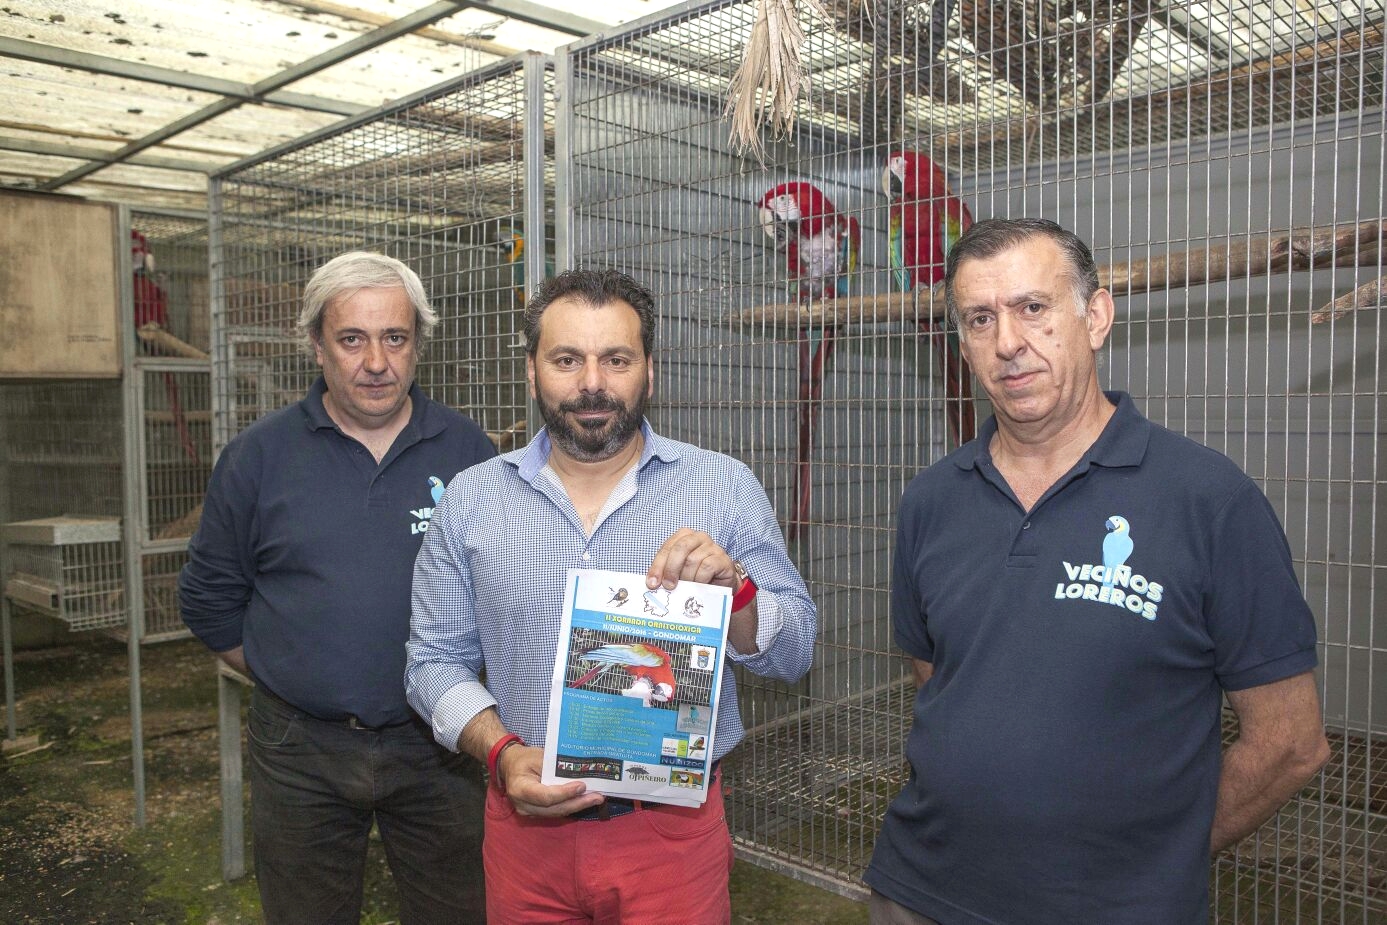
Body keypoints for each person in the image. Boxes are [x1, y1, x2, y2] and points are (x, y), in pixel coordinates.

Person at [865, 219, 1330, 925]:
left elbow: (1290, 741)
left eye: (1032, 308)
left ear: (1095, 317)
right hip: (920, 893)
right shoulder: (931, 499)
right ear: (960, 343)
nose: (1008, 343)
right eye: (979, 318)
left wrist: (1156, 856)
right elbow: (939, 682)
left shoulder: (1207, 499)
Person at [406, 267, 817, 924]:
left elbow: (793, 650)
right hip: (525, 829)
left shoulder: (723, 487)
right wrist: (501, 751)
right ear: (533, 373)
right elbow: (431, 661)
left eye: (615, 359)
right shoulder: (471, 500)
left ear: (648, 372)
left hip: (669, 836)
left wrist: (735, 590)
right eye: (566, 359)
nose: (591, 382)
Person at [179, 251, 496, 924]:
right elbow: (210, 600)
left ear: (418, 346)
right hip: (301, 750)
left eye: (395, 338)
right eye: (351, 338)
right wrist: (296, 676)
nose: (375, 361)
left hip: (440, 744)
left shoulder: (468, 452)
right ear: (316, 346)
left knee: (458, 910)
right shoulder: (258, 457)